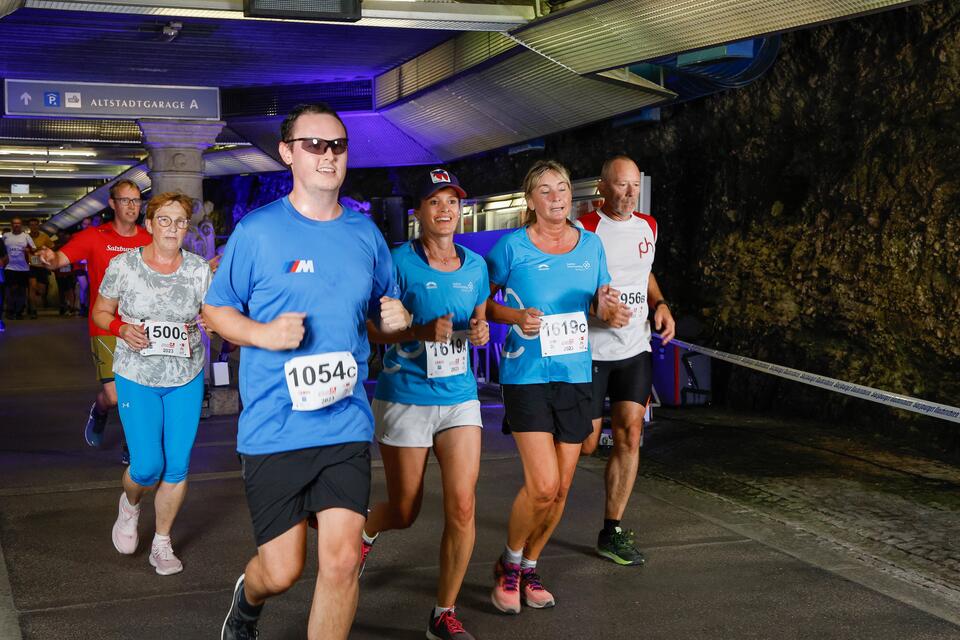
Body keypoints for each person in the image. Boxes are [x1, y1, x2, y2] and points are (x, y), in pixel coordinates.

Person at [203, 103, 411, 640]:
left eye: (337, 145)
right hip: (275, 428)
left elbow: (382, 318)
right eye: (314, 145)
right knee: (282, 571)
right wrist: (263, 334)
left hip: (344, 423)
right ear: (288, 153)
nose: (328, 155)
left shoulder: (365, 236)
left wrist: (398, 319)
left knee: (342, 562)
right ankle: (247, 602)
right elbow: (217, 309)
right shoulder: (258, 232)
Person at [484, 160, 630, 614]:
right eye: (545, 191)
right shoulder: (511, 248)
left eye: (562, 188)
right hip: (526, 375)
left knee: (562, 489)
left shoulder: (591, 245)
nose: (556, 197)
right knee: (543, 484)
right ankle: (508, 565)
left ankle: (530, 565)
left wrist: (609, 309)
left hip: (575, 374)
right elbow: (482, 304)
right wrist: (514, 317)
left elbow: (601, 300)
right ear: (530, 201)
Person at [362, 169, 490, 640]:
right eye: (434, 203)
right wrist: (417, 330)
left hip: (459, 397)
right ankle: (367, 531)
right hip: (405, 396)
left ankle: (444, 613)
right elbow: (374, 329)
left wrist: (479, 331)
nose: (445, 211)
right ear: (419, 212)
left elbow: (477, 321)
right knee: (406, 508)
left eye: (452, 202)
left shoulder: (476, 267)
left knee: (462, 507)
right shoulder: (396, 261)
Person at [93, 192, 212, 575]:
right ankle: (130, 506)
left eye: (180, 222)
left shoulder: (197, 270)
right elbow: (100, 311)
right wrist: (120, 328)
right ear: (149, 224)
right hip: (137, 375)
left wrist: (212, 323)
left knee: (176, 466)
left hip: (185, 375)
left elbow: (210, 314)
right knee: (147, 466)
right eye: (164, 220)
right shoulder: (124, 266)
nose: (173, 228)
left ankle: (162, 542)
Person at [577, 155, 676, 566]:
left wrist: (661, 303)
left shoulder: (648, 226)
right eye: (621, 185)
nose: (630, 192)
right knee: (583, 445)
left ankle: (611, 530)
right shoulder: (584, 229)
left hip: (634, 349)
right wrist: (593, 309)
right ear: (602, 187)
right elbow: (563, 286)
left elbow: (645, 272)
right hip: (590, 353)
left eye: (634, 185)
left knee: (629, 437)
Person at [36, 181, 151, 458]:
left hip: (141, 326)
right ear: (112, 204)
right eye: (125, 200)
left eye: (136, 200)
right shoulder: (93, 236)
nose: (132, 206)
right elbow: (60, 259)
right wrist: (50, 258)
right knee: (114, 397)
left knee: (140, 391)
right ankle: (99, 411)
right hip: (105, 325)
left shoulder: (148, 239)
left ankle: (133, 445)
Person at [3, 217, 35, 320]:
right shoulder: (6, 236)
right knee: (11, 289)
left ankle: (19, 311)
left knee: (21, 290)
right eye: (14, 223)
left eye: (18, 223)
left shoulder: (26, 236)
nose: (16, 225)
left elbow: (34, 248)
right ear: (11, 225)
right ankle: (10, 310)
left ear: (21, 225)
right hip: (9, 267)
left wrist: (28, 249)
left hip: (23, 268)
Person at [27, 218, 54, 318]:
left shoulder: (44, 236)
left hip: (42, 265)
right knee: (32, 287)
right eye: (31, 225)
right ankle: (33, 309)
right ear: (29, 227)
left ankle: (31, 304)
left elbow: (52, 246)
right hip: (31, 265)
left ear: (38, 226)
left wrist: (44, 250)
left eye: (35, 225)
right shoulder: (26, 237)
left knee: (41, 290)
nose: (33, 227)